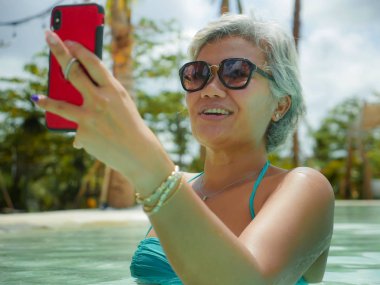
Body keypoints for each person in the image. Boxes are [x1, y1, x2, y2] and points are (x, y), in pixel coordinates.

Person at [33, 13, 334, 285]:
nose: (210, 89)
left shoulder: (304, 188)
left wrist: (148, 168)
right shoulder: (178, 186)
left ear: (280, 105)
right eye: (197, 74)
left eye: (236, 72)